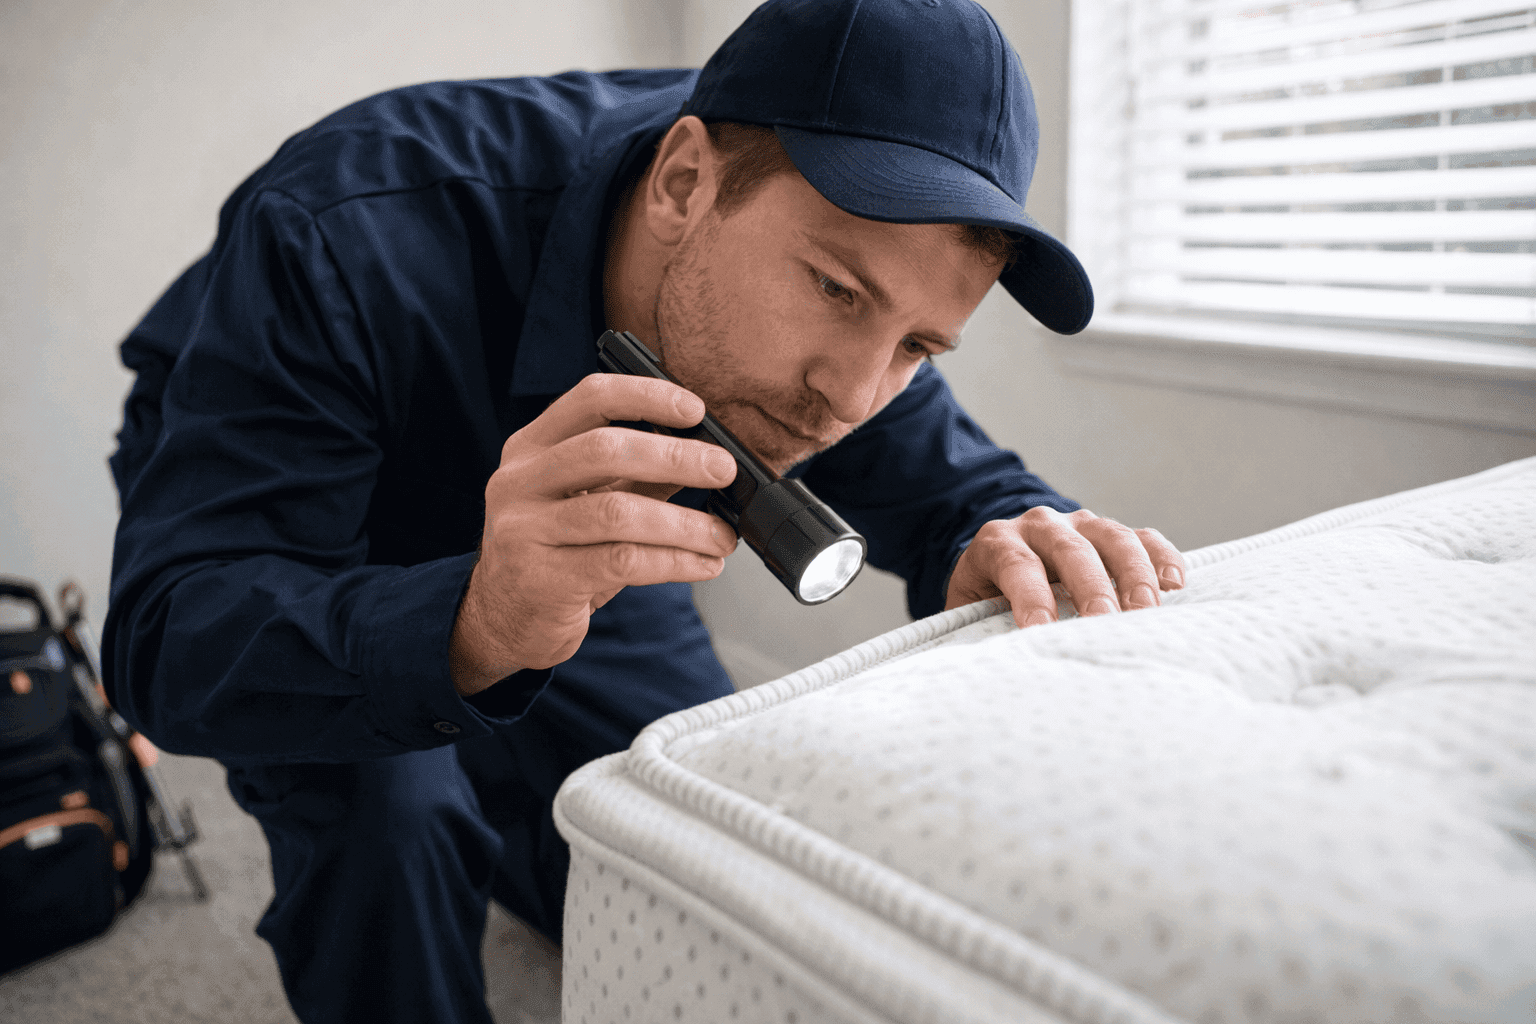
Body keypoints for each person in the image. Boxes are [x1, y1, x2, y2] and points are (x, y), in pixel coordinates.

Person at [103, 0, 1186, 1021]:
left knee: (684, 822)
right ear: (681, 183)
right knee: (393, 825)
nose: (853, 396)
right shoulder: (341, 228)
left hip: (573, 524)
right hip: (298, 503)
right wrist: (472, 623)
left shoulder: (829, 329)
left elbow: (959, 490)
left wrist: (1014, 531)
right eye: (835, 290)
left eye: (916, 345)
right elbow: (167, 640)